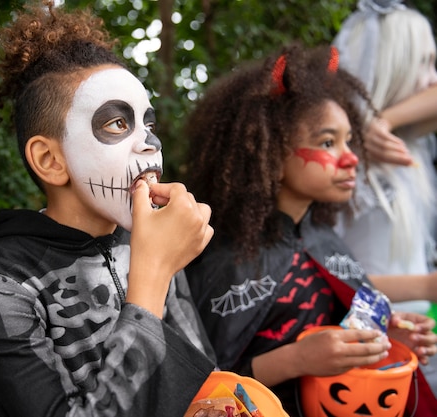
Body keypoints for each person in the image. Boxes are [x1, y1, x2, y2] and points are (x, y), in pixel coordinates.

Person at [0, 2, 216, 417]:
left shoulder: (146, 239)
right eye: (117, 123)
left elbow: (209, 390)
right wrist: (151, 278)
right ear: (50, 161)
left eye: (148, 124)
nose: (150, 144)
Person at [183, 43, 437, 417]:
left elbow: (340, 329)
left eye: (349, 141)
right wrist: (294, 359)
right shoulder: (219, 257)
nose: (351, 158)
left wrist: (380, 340)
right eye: (327, 143)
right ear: (271, 154)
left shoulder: (326, 243)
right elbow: (197, 383)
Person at [332, 0, 437, 316]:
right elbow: (324, 274)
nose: (433, 78)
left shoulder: (405, 144)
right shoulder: (341, 161)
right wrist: (426, 287)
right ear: (393, 67)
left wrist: (382, 120)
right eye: (425, 63)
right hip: (370, 340)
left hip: (418, 337)